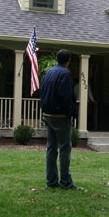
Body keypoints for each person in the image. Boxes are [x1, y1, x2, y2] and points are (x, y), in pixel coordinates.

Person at [40, 50, 84, 190]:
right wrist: (71, 112)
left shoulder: (48, 73)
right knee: (65, 149)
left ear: (56, 59)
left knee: (51, 149)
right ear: (68, 60)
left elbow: (42, 91)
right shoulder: (65, 74)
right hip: (60, 116)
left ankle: (51, 181)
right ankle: (65, 182)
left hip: (48, 114)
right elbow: (65, 96)